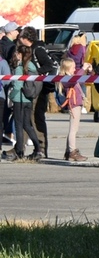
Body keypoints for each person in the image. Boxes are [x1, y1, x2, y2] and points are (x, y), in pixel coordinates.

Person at [18, 27, 54, 162]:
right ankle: (20, 148)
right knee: (26, 118)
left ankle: (42, 149)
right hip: (34, 87)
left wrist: (35, 73)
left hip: (40, 89)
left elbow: (50, 65)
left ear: (25, 38)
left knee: (36, 118)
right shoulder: (31, 49)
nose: (19, 40)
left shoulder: (38, 49)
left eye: (20, 37)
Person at [5, 44, 43, 161]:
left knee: (18, 125)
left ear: (20, 54)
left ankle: (19, 151)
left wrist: (10, 95)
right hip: (29, 100)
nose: (15, 55)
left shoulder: (19, 68)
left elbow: (17, 85)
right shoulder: (32, 67)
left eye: (17, 53)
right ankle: (38, 148)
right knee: (27, 125)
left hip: (19, 99)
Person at [54, 56, 87, 162]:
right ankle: (72, 151)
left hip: (77, 104)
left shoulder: (72, 77)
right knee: (73, 129)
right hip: (74, 105)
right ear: (67, 68)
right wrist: (83, 69)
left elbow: (80, 80)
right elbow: (75, 80)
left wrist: (88, 71)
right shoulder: (66, 79)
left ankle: (68, 151)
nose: (75, 69)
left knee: (74, 129)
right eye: (73, 67)